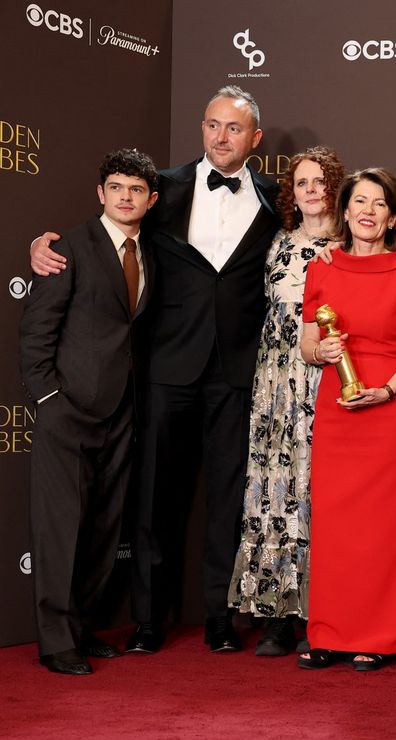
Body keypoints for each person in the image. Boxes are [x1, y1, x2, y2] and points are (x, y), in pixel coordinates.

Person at [31, 85, 281, 654]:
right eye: (212, 125)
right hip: (166, 364)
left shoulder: (276, 198)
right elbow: (104, 238)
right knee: (152, 498)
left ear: (255, 138)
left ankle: (220, 617)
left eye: (234, 128)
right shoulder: (160, 188)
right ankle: (148, 620)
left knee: (228, 498)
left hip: (238, 369)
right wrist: (41, 245)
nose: (221, 137)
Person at [19, 148, 159, 675]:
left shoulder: (150, 253)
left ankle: (81, 627)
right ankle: (56, 641)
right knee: (60, 528)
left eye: (136, 190)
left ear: (151, 199)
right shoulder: (66, 248)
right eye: (116, 187)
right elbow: (37, 331)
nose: (126, 197)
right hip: (68, 410)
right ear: (101, 193)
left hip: (123, 412)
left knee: (102, 528)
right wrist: (48, 399)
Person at [297, 168, 396, 671]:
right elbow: (308, 344)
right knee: (336, 524)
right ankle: (329, 633)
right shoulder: (322, 268)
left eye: (379, 203)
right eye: (359, 201)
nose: (368, 211)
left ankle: (381, 635)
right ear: (345, 210)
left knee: (384, 527)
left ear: (393, 217)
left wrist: (387, 390)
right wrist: (322, 352)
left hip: (391, 407)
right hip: (339, 406)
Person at [227, 147, 345, 656]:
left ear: (335, 188)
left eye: (320, 182)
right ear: (291, 193)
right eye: (302, 183)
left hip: (327, 377)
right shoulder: (276, 241)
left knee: (321, 488)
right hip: (275, 382)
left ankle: (328, 612)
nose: (311, 190)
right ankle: (278, 614)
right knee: (276, 489)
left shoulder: (352, 242)